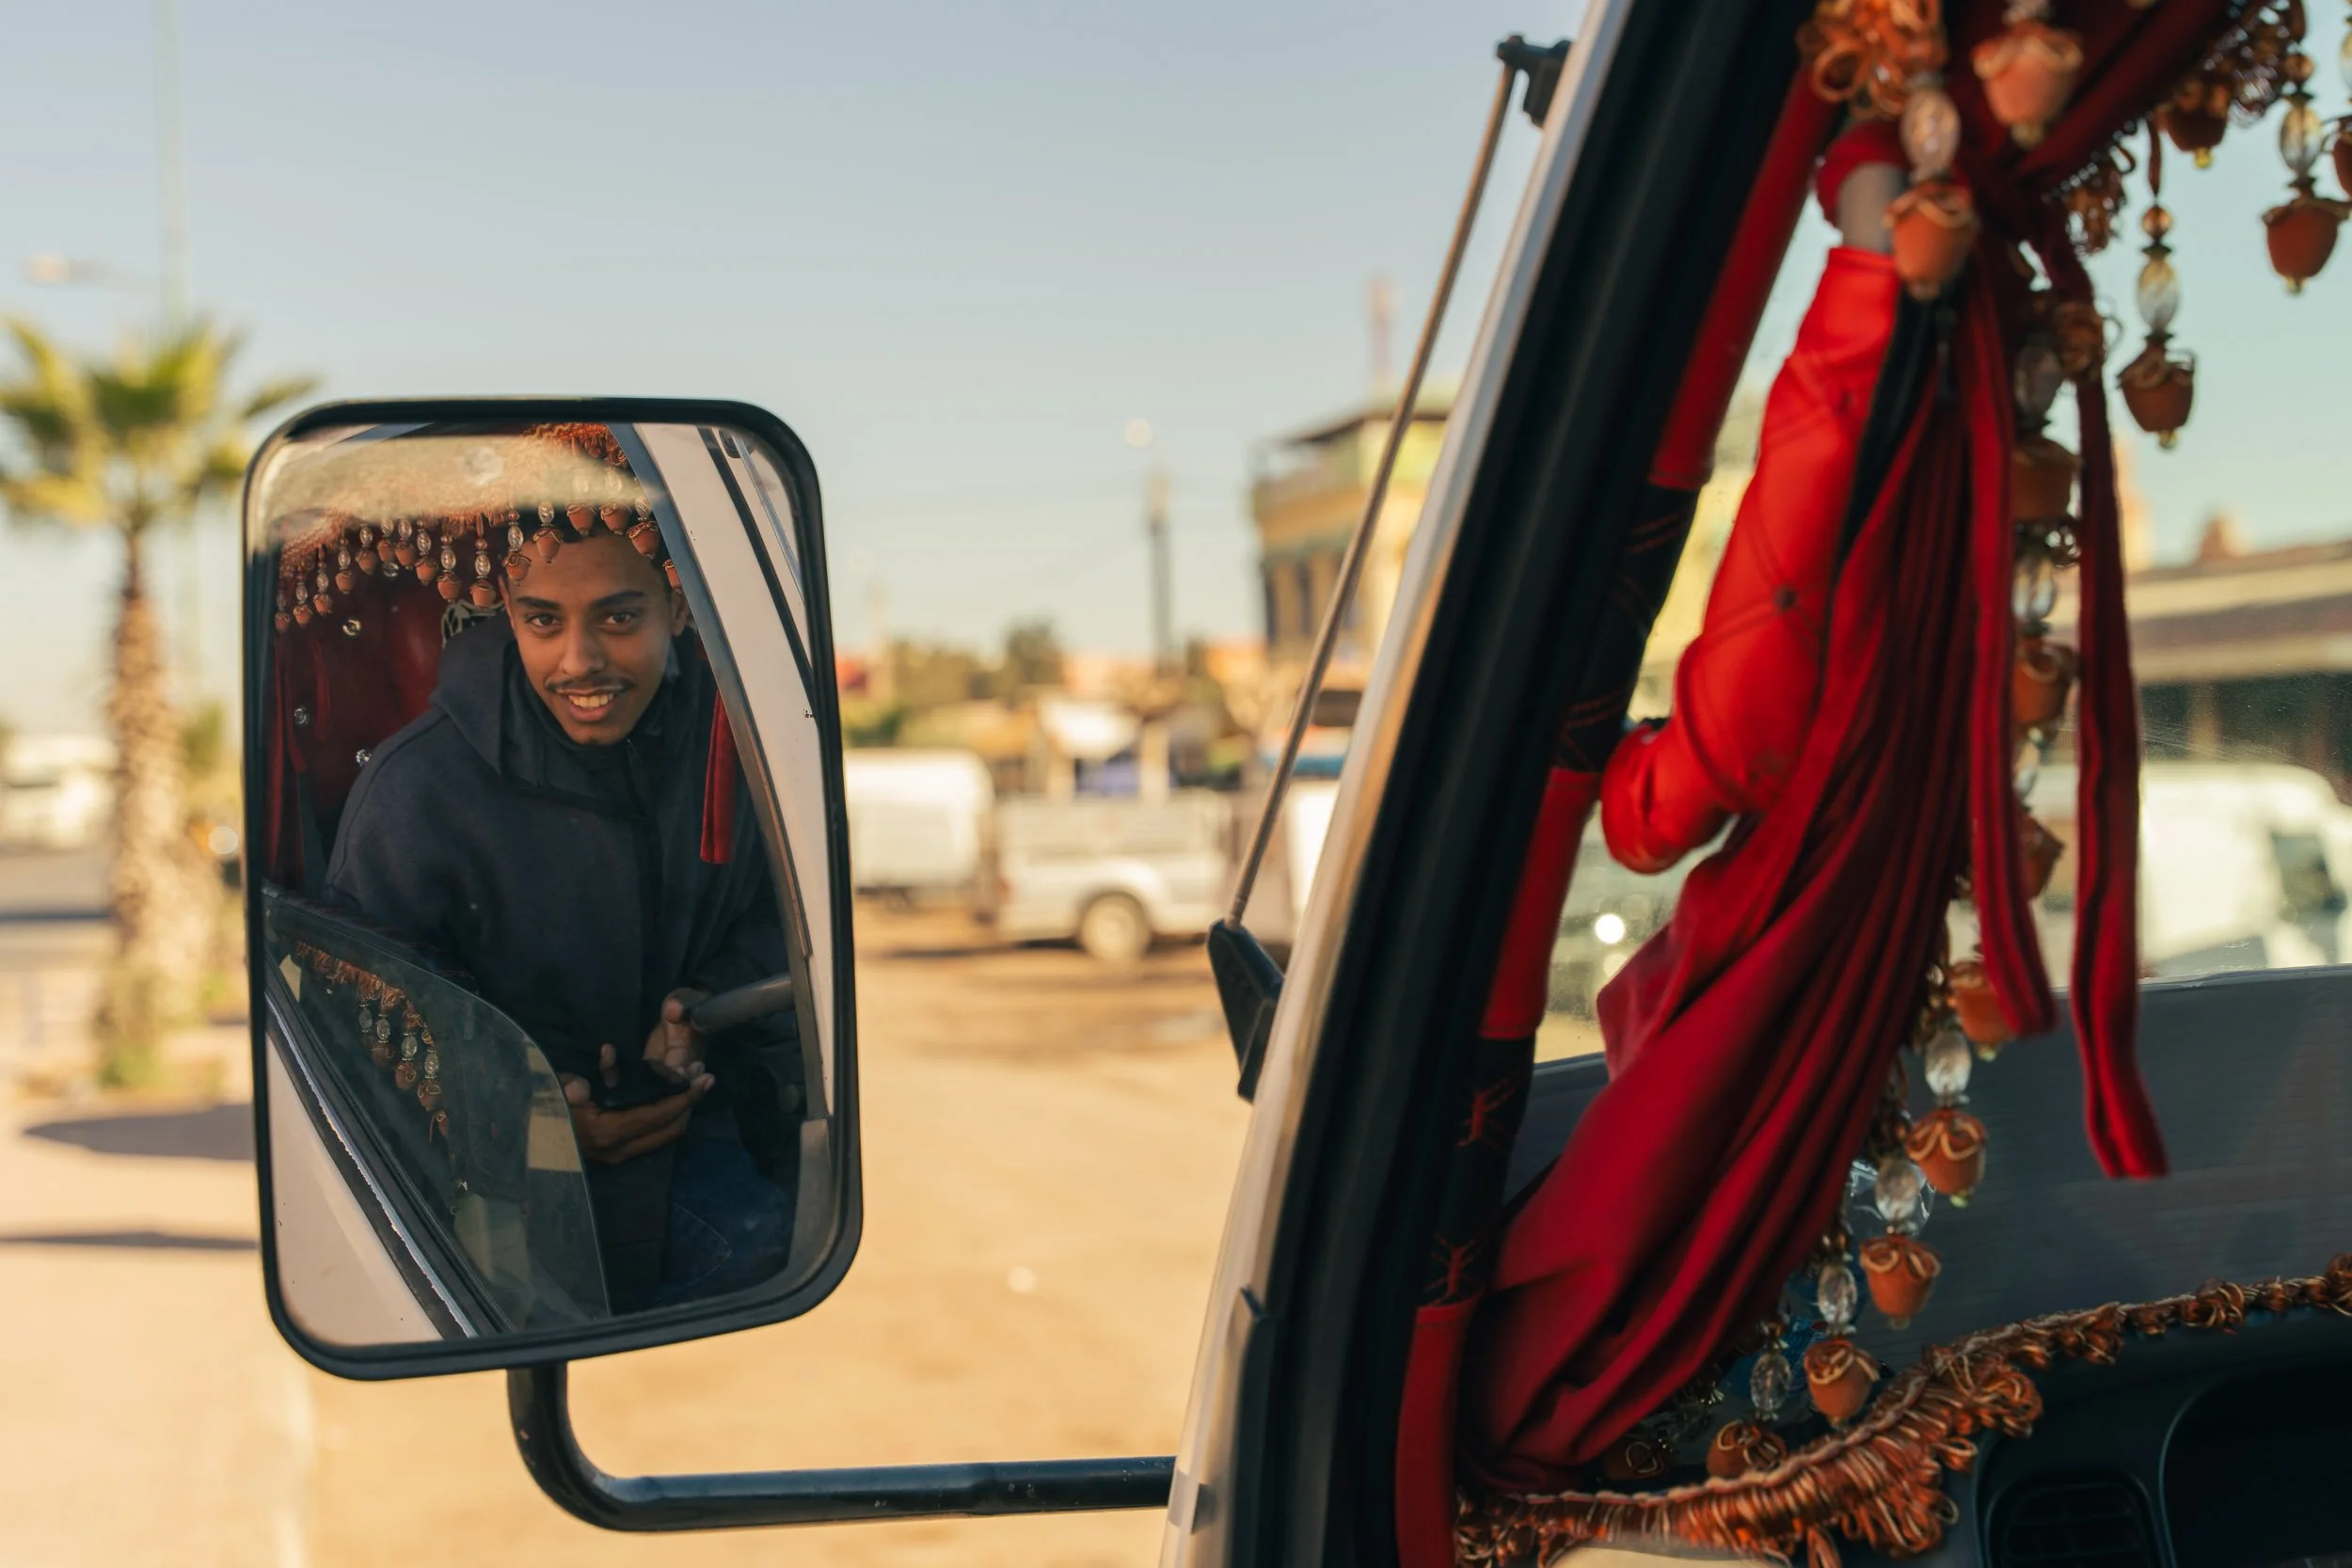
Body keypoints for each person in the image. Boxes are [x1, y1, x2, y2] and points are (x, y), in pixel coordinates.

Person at [325, 514, 800, 1313]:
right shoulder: (418, 792)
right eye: (544, 620)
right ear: (507, 614)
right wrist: (535, 1124)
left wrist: (697, 1008)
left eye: (619, 617)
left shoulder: (732, 747)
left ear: (680, 609)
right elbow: (365, 1031)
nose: (579, 662)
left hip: (711, 1136)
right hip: (498, 1205)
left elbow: (776, 914)